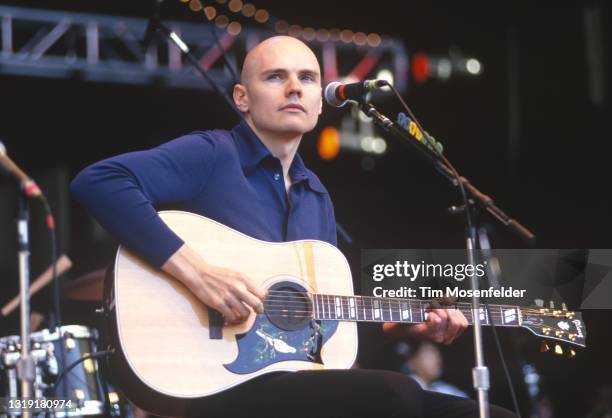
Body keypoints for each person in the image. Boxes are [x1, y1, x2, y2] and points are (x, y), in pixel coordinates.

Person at [71, 36, 515, 418]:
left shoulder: (315, 194)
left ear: (321, 101)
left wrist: (405, 324)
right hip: (220, 382)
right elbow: (99, 182)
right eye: (275, 77)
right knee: (396, 394)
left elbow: (315, 325)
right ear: (242, 97)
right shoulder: (213, 154)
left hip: (291, 379)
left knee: (490, 413)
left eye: (307, 78)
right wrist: (199, 275)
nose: (294, 89)